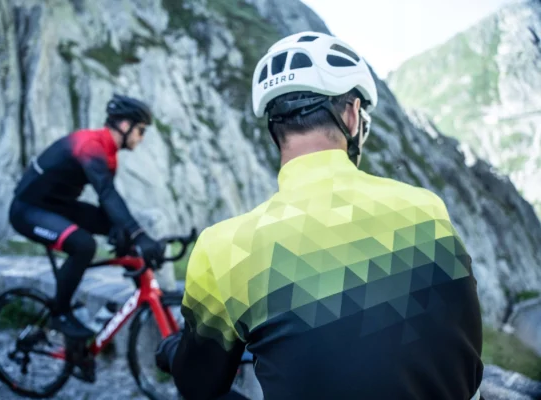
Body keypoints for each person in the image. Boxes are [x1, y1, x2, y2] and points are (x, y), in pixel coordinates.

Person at [155, 31, 484, 400]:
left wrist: (170, 350)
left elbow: (199, 384)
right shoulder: (426, 206)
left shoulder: (223, 248)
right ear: (352, 114)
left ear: (274, 129)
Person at [9, 94, 164, 339]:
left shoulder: (109, 152)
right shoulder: (90, 145)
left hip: (57, 206)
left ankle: (144, 294)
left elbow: (109, 203)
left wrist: (128, 234)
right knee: (83, 245)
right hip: (28, 210)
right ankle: (59, 314)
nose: (142, 138)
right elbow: (107, 194)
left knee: (118, 229)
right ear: (125, 125)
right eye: (141, 131)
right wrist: (140, 234)